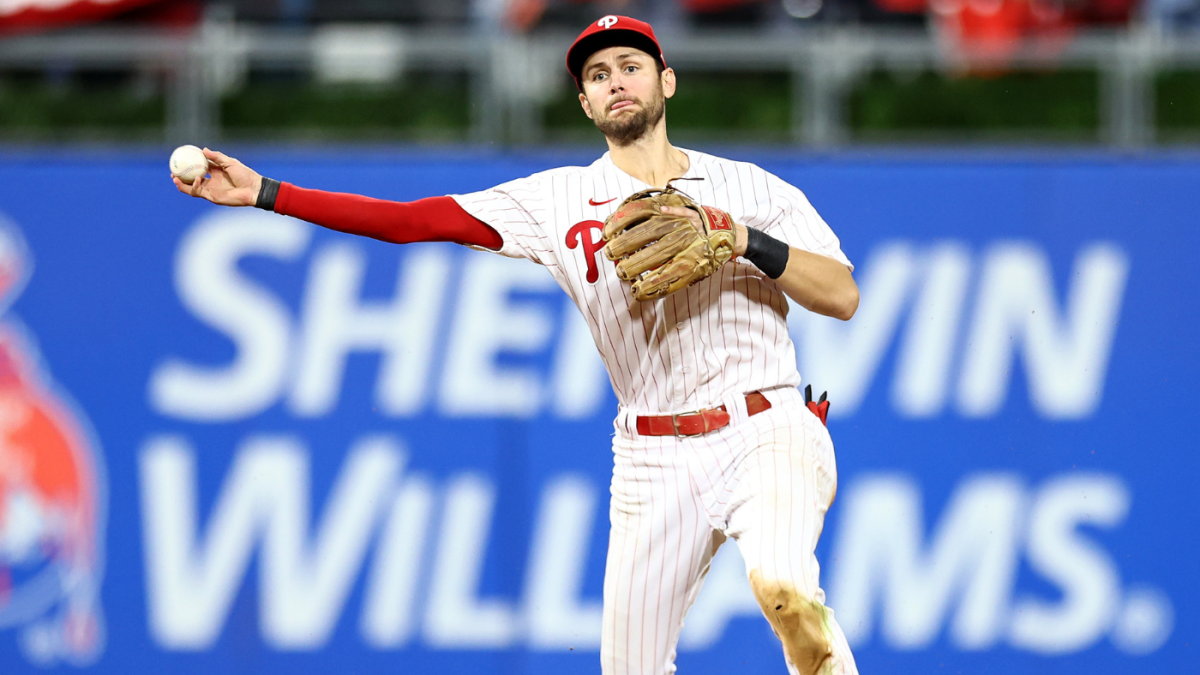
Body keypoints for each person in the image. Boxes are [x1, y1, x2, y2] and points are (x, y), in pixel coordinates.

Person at [173, 15, 860, 675]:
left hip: (764, 429)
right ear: (586, 103)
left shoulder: (751, 188)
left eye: (631, 66)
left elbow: (841, 294)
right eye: (597, 75)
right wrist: (268, 192)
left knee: (784, 584)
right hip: (653, 456)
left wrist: (744, 239)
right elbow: (414, 221)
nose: (616, 80)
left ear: (666, 81)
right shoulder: (559, 200)